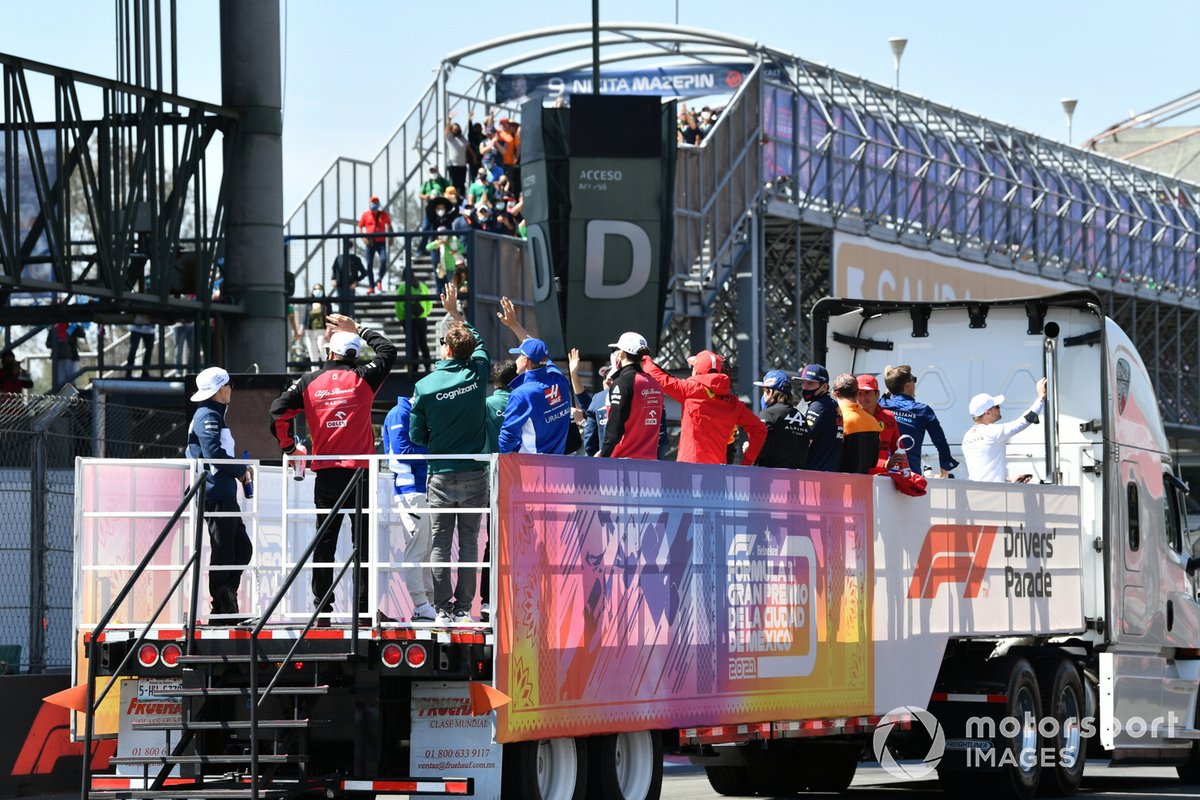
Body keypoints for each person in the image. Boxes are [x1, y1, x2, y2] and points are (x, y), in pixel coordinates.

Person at [268, 314, 397, 624]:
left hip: (325, 473)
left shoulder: (308, 382)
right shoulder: (365, 377)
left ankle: (321, 610)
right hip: (360, 472)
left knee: (324, 543)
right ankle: (363, 612)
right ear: (353, 354)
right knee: (362, 544)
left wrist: (289, 447)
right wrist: (360, 329)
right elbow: (388, 350)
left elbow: (277, 413)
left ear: (329, 352)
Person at [409, 284, 490, 624]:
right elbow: (481, 344)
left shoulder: (425, 386)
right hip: (475, 471)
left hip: (440, 472)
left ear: (446, 350)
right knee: (470, 541)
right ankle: (463, 609)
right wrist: (457, 314)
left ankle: (442, 609)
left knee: (441, 543)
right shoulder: (479, 371)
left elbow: (416, 436)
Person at [186, 367, 253, 621]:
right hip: (214, 492)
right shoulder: (207, 415)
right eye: (229, 384)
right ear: (221, 389)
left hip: (222, 492)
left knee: (240, 548)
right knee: (224, 549)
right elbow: (214, 454)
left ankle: (227, 598)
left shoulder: (211, 414)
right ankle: (222, 607)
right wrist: (240, 469)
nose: (231, 389)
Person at [642, 348, 766, 465]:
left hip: (690, 467)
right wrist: (747, 462)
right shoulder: (733, 403)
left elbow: (660, 378)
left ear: (696, 371)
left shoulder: (690, 390)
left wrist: (644, 358)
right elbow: (760, 429)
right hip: (717, 471)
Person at [382, 395, 436, 623]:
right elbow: (402, 450)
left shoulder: (413, 413)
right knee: (418, 548)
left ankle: (428, 604)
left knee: (427, 548)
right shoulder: (399, 413)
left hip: (422, 489)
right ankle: (421, 604)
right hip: (410, 490)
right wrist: (437, 453)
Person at [496, 298, 572, 455]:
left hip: (532, 470)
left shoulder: (521, 394)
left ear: (525, 360)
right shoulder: (559, 379)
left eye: (519, 356)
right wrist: (513, 324)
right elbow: (537, 348)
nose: (516, 359)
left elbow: (506, 441)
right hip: (560, 466)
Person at [878, 365, 959, 478]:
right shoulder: (923, 411)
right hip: (909, 477)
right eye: (914, 380)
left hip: (882, 475)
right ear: (908, 386)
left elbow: (880, 398)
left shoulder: (881, 405)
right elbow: (941, 442)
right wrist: (944, 472)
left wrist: (890, 387)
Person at [961, 378, 1048, 482]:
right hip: (994, 493)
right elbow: (1025, 420)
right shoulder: (992, 431)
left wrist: (1009, 480)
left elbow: (983, 471)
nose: (999, 408)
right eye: (996, 406)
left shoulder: (967, 436)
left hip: (975, 491)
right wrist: (1041, 397)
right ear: (987, 413)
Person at [599, 331, 664, 460]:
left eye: (617, 350)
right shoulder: (654, 383)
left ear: (622, 354)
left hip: (624, 463)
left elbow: (614, 428)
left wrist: (603, 455)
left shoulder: (623, 383)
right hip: (650, 462)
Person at [752, 369, 809, 469]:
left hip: (771, 478)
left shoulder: (768, 414)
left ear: (770, 391)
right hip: (796, 480)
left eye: (764, 391)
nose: (763, 396)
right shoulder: (801, 418)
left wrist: (748, 449)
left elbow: (759, 451)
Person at [833, 373, 882, 474]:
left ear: (835, 393)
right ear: (856, 393)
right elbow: (873, 462)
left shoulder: (837, 419)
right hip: (864, 484)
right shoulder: (873, 421)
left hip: (839, 484)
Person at [798, 363, 843, 472]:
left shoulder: (818, 406)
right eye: (803, 383)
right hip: (828, 470)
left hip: (816, 472)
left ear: (824, 386)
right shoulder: (833, 404)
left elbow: (804, 439)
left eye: (810, 383)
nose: (805, 387)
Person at [857, 374, 902, 471]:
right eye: (859, 393)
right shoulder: (851, 418)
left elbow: (899, 448)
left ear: (877, 394)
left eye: (867, 392)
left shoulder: (888, 417)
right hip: (858, 477)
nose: (863, 398)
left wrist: (904, 469)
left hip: (882, 479)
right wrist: (885, 463)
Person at [394, 276, 434, 376]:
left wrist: (401, 317)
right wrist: (426, 312)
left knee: (413, 344)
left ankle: (414, 368)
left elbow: (399, 304)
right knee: (423, 342)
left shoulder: (403, 287)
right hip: (422, 317)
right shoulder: (423, 286)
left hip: (409, 318)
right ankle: (427, 366)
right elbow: (429, 301)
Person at [356, 195, 392, 294]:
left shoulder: (383, 214)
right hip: (370, 242)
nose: (374, 204)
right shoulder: (365, 215)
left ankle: (379, 279)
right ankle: (371, 286)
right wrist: (363, 238)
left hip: (381, 242)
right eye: (372, 202)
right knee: (369, 265)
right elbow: (359, 227)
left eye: (376, 202)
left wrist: (391, 237)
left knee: (384, 259)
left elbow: (389, 225)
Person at [484, 360, 518, 454]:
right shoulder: (526, 402)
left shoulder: (486, 404)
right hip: (524, 463)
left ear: (495, 383)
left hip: (493, 464)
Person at [331, 239, 369, 316]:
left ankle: (351, 324)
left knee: (351, 307)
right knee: (341, 306)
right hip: (340, 285)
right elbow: (335, 270)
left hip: (350, 285)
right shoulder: (339, 258)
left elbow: (364, 272)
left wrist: (356, 281)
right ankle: (341, 325)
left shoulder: (356, 259)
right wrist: (333, 279)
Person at [46, 322, 86, 391]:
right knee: (60, 383)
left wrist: (76, 325)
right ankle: (62, 400)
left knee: (73, 381)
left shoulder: (72, 327)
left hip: (72, 358)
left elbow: (82, 334)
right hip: (59, 359)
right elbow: (48, 344)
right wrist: (58, 342)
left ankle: (73, 399)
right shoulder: (54, 328)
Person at [445, 113, 469, 197]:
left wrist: (473, 157)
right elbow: (446, 131)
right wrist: (449, 120)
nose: (456, 130)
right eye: (454, 129)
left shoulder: (462, 138)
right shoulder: (450, 138)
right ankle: (454, 199)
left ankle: (462, 199)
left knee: (462, 184)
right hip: (453, 165)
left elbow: (468, 147)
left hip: (462, 165)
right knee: (454, 184)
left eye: (457, 129)